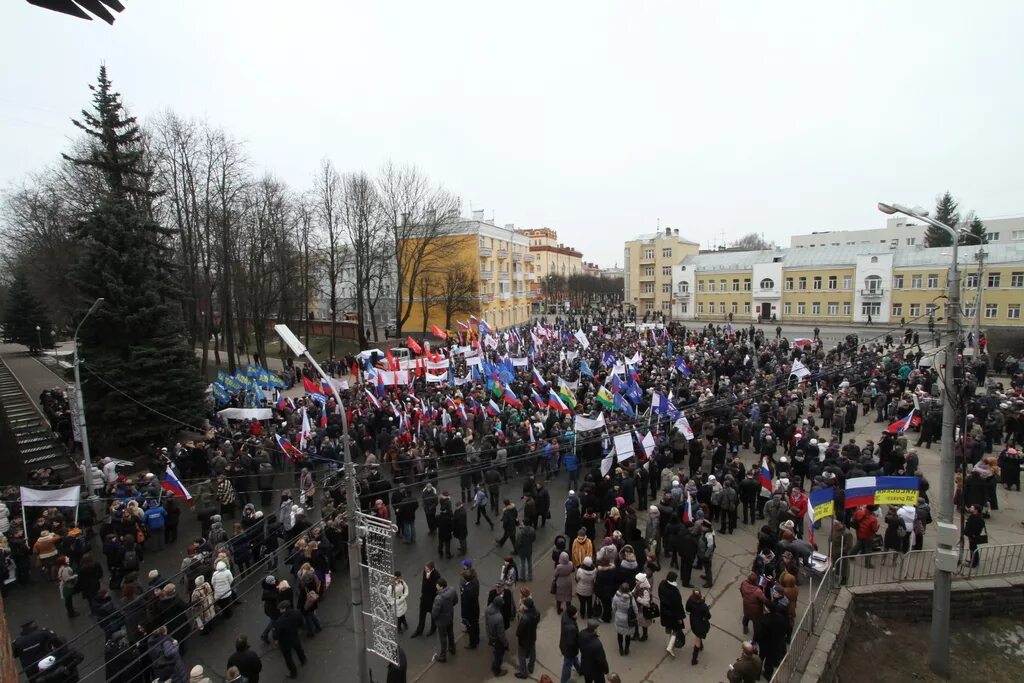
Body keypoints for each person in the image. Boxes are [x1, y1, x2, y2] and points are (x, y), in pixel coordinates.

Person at [272, 601, 307, 679]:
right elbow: (301, 623)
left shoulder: (280, 621)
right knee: (299, 649)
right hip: (294, 636)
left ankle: (293, 673)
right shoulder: (297, 612)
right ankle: (303, 660)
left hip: (285, 642)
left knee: (288, 658)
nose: (279, 610)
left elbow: (276, 635)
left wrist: (276, 642)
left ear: (284, 609)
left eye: (280, 609)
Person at [431, 577, 459, 662]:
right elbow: (455, 601)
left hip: (441, 621)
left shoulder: (439, 598)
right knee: (450, 633)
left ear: (441, 587)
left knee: (443, 638)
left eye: (437, 585)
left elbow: (435, 613)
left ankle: (443, 656)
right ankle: (452, 648)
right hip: (450, 616)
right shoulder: (452, 590)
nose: (436, 586)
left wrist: (435, 618)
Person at [658, 571, 685, 657]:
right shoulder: (674, 592)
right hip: (673, 615)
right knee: (676, 630)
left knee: (668, 628)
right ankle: (670, 646)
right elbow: (677, 606)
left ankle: (668, 643)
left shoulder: (662, 584)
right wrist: (679, 618)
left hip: (664, 612)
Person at [411, 562, 440, 637]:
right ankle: (419, 630)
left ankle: (433, 629)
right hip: (424, 598)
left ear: (431, 569)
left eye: (427, 569)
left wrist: (428, 579)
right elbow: (424, 585)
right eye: (425, 568)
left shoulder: (436, 575)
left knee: (433, 616)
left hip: (432, 599)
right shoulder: (425, 572)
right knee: (422, 615)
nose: (425, 570)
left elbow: (433, 588)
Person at [515, 596, 540, 678]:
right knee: (533, 652)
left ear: (526, 606)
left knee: (521, 656)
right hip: (532, 636)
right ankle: (531, 667)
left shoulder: (524, 618)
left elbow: (519, 632)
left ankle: (523, 673)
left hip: (524, 640)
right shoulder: (537, 613)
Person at [610, 582, 638, 656]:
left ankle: (620, 649)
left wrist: (616, 613)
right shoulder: (631, 599)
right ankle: (626, 649)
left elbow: (613, 607)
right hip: (628, 619)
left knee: (619, 633)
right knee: (628, 634)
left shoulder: (616, 597)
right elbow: (635, 609)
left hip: (619, 617)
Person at [578, 619, 610, 683]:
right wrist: (606, 669)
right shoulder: (597, 644)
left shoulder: (581, 634)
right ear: (595, 629)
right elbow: (601, 659)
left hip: (585, 665)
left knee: (588, 680)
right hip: (596, 670)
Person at [486, 594, 509, 677]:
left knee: (496, 652)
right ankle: (497, 671)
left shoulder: (488, 609)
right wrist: (506, 643)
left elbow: (486, 624)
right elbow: (501, 634)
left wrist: (488, 635)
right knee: (499, 655)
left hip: (491, 636)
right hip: (497, 639)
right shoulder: (498, 617)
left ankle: (494, 666)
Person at [685, 590, 711, 666]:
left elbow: (687, 609)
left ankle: (701, 646)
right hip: (701, 625)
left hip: (693, 622)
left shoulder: (689, 601)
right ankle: (694, 659)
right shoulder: (703, 606)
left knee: (698, 635)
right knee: (697, 641)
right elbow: (708, 616)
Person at [460, 560, 481, 649]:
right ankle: (477, 637)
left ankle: (473, 643)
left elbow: (465, 603)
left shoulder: (466, 590)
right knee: (476, 624)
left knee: (470, 627)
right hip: (475, 608)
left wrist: (464, 615)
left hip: (469, 612)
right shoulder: (475, 581)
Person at [558, 604, 581, 683]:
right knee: (567, 665)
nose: (577, 614)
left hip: (564, 644)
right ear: (572, 615)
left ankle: (580, 669)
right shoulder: (571, 628)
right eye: (576, 613)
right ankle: (564, 681)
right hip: (569, 649)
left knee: (573, 659)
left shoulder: (565, 616)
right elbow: (572, 642)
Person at [965, 504, 987, 568]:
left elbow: (975, 528)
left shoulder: (978, 519)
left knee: (973, 548)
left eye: (972, 508)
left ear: (976, 510)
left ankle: (974, 563)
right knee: (972, 548)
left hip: (973, 536)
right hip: (971, 535)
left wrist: (972, 534)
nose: (970, 508)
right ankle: (973, 560)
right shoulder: (973, 516)